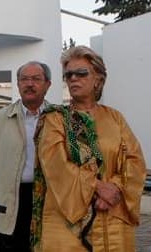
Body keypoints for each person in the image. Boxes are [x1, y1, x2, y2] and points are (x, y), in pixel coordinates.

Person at [31, 46, 147, 251]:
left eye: (81, 73)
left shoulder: (115, 118)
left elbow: (134, 160)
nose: (73, 78)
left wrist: (115, 188)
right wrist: (97, 187)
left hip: (113, 215)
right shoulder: (56, 119)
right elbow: (55, 165)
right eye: (68, 75)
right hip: (68, 224)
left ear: (98, 79)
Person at [0, 61, 52, 251]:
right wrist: (0, 191)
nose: (29, 84)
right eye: (24, 79)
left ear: (48, 84)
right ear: (18, 84)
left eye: (36, 79)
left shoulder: (59, 118)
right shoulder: (1, 119)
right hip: (11, 198)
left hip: (48, 198)